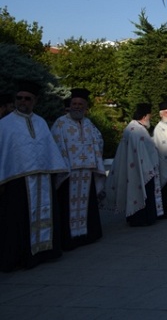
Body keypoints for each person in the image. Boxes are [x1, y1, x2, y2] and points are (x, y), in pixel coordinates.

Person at [0, 81, 70, 272]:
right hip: (17, 181)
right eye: (19, 98)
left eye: (27, 98)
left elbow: (48, 149)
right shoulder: (4, 125)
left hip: (43, 180)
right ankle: (19, 257)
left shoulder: (40, 122)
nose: (23, 101)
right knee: (17, 220)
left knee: (45, 215)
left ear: (35, 101)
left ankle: (44, 253)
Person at [50, 87, 105, 250]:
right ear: (70, 104)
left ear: (86, 107)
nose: (77, 106)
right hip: (69, 173)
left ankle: (87, 235)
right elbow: (56, 144)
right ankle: (69, 239)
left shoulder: (88, 124)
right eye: (74, 103)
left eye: (81, 104)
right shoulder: (60, 123)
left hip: (87, 172)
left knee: (87, 205)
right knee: (67, 205)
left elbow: (99, 140)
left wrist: (95, 160)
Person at [103, 103, 163, 226]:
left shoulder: (132, 128)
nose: (150, 118)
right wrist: (148, 168)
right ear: (145, 115)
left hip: (136, 168)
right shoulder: (137, 130)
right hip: (141, 169)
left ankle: (137, 218)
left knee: (135, 191)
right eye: (150, 115)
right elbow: (142, 152)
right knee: (141, 192)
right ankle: (142, 219)